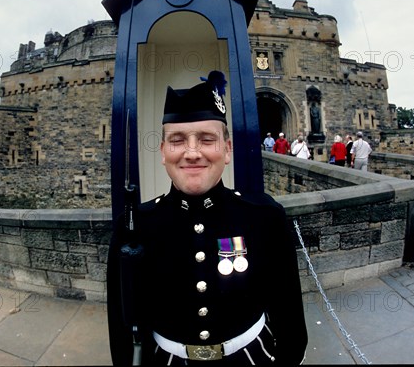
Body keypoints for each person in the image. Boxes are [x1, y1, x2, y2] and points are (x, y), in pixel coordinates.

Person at [108, 73, 308, 365]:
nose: (192, 152)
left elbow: (288, 314)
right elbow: (121, 328)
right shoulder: (136, 225)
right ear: (163, 152)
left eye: (206, 139)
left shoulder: (265, 216)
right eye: (177, 140)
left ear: (227, 150)